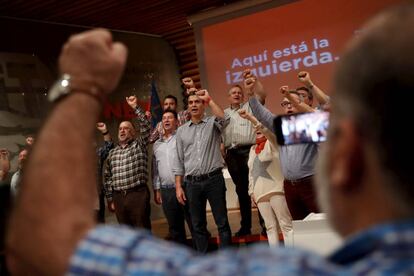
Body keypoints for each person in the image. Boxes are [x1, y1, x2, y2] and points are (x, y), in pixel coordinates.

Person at [6, 5, 414, 273]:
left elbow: (46, 240)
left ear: (346, 159)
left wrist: (79, 88)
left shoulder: (292, 271)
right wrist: (259, 103)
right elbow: (280, 128)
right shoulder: (325, 129)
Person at [246, 80, 320, 220]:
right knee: (300, 227)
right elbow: (262, 114)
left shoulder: (312, 124)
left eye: (292, 102)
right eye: (285, 103)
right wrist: (250, 93)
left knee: (321, 224)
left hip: (311, 184)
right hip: (290, 186)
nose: (288, 106)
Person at [174, 89, 232, 253]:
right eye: (191, 102)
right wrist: (178, 186)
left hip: (214, 180)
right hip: (191, 183)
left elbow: (225, 119)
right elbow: (178, 160)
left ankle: (226, 261)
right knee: (197, 225)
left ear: (203, 105)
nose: (193, 105)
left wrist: (210, 99)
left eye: (197, 102)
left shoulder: (212, 123)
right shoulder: (181, 130)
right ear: (187, 107)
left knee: (222, 222)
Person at [238, 109, 292, 246]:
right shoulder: (252, 150)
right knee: (270, 227)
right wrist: (252, 193)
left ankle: (292, 257)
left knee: (285, 225)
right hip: (260, 193)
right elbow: (251, 173)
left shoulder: (273, 143)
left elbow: (266, 131)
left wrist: (252, 119)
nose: (257, 129)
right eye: (255, 128)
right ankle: (275, 260)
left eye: (260, 127)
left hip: (276, 190)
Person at [222, 81, 266, 236]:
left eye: (239, 92)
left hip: (248, 152)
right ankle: (245, 227)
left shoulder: (250, 107)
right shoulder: (224, 113)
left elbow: (261, 96)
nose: (237, 94)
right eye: (233, 92)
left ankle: (265, 226)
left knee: (257, 189)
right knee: (241, 192)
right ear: (228, 97)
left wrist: (252, 84)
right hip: (232, 155)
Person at [103, 95, 152, 230]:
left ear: (133, 132)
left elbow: (146, 126)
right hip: (118, 197)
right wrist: (110, 198)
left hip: (137, 195)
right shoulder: (113, 152)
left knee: (142, 231)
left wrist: (135, 107)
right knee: (126, 235)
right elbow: (107, 177)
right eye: (120, 129)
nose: (122, 130)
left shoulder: (139, 144)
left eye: (126, 128)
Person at [152, 109, 192, 245]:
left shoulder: (182, 138)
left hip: (184, 186)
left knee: (194, 223)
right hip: (166, 190)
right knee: (175, 228)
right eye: (164, 118)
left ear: (176, 121)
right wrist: (157, 189)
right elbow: (156, 169)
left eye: (170, 118)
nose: (166, 120)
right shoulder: (157, 145)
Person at [95, 122, 114, 223]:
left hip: (96, 198)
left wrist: (104, 131)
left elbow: (109, 147)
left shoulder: (96, 155)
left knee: (99, 226)